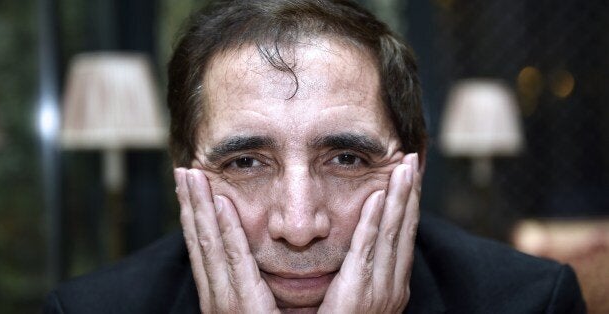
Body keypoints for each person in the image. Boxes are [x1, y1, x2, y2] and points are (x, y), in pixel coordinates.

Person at [44, 0, 586, 313]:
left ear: (414, 169)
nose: (299, 226)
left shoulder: (530, 303)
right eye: (246, 162)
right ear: (184, 175)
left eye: (347, 158)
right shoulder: (91, 311)